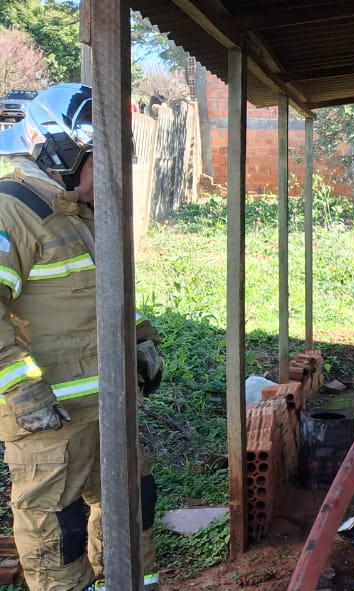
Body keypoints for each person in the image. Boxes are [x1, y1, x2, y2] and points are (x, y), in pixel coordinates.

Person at [0, 83, 165, 591]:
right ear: (61, 154)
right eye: (101, 159)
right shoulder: (13, 212)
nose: (115, 174)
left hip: (109, 406)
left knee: (132, 505)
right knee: (57, 529)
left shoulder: (84, 214)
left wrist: (139, 338)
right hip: (49, 418)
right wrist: (23, 389)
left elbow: (106, 292)